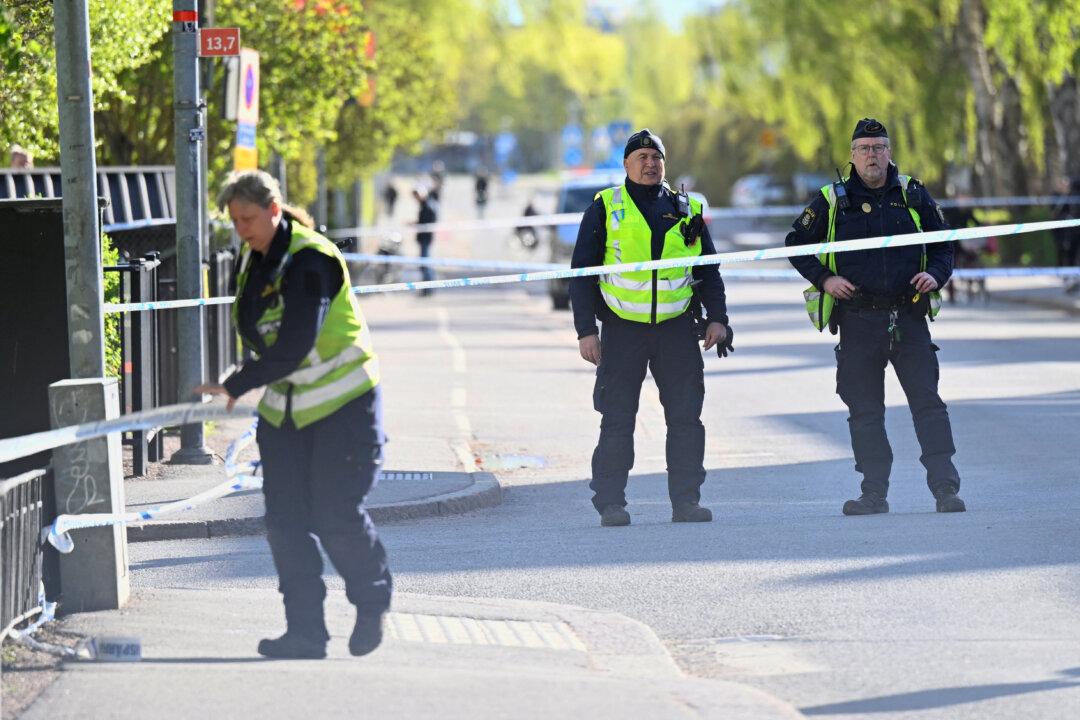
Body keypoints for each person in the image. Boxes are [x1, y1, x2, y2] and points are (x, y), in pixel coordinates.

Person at [195, 170, 392, 659]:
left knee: (335, 514)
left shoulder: (310, 259)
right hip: (286, 413)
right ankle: (305, 633)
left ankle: (371, 601)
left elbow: (297, 341)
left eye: (247, 218)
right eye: (234, 221)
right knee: (284, 522)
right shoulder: (256, 256)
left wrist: (236, 383)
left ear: (274, 209)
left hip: (344, 406)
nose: (241, 229)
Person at [785, 118, 966, 516]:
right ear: (852, 155)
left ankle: (945, 488)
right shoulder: (832, 200)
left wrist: (935, 276)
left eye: (880, 147)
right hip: (859, 319)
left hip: (908, 315)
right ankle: (874, 493)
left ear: (889, 152)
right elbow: (796, 244)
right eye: (865, 148)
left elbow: (943, 244)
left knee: (928, 404)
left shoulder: (912, 193)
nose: (873, 155)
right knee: (865, 411)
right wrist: (825, 278)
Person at [569, 129, 732, 527]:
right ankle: (611, 503)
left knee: (686, 418)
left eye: (655, 157)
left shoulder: (687, 206)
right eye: (640, 156)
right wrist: (585, 330)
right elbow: (581, 273)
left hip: (676, 329)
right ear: (625, 164)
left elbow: (708, 270)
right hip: (623, 330)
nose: (649, 163)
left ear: (665, 163)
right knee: (617, 418)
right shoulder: (606, 206)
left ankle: (686, 502)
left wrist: (718, 318)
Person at [413, 184, 438, 296]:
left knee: (425, 264)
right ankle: (427, 288)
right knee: (424, 264)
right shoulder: (425, 204)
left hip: (425, 239)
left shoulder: (427, 205)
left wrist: (416, 224)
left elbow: (428, 222)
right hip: (424, 238)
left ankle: (428, 288)